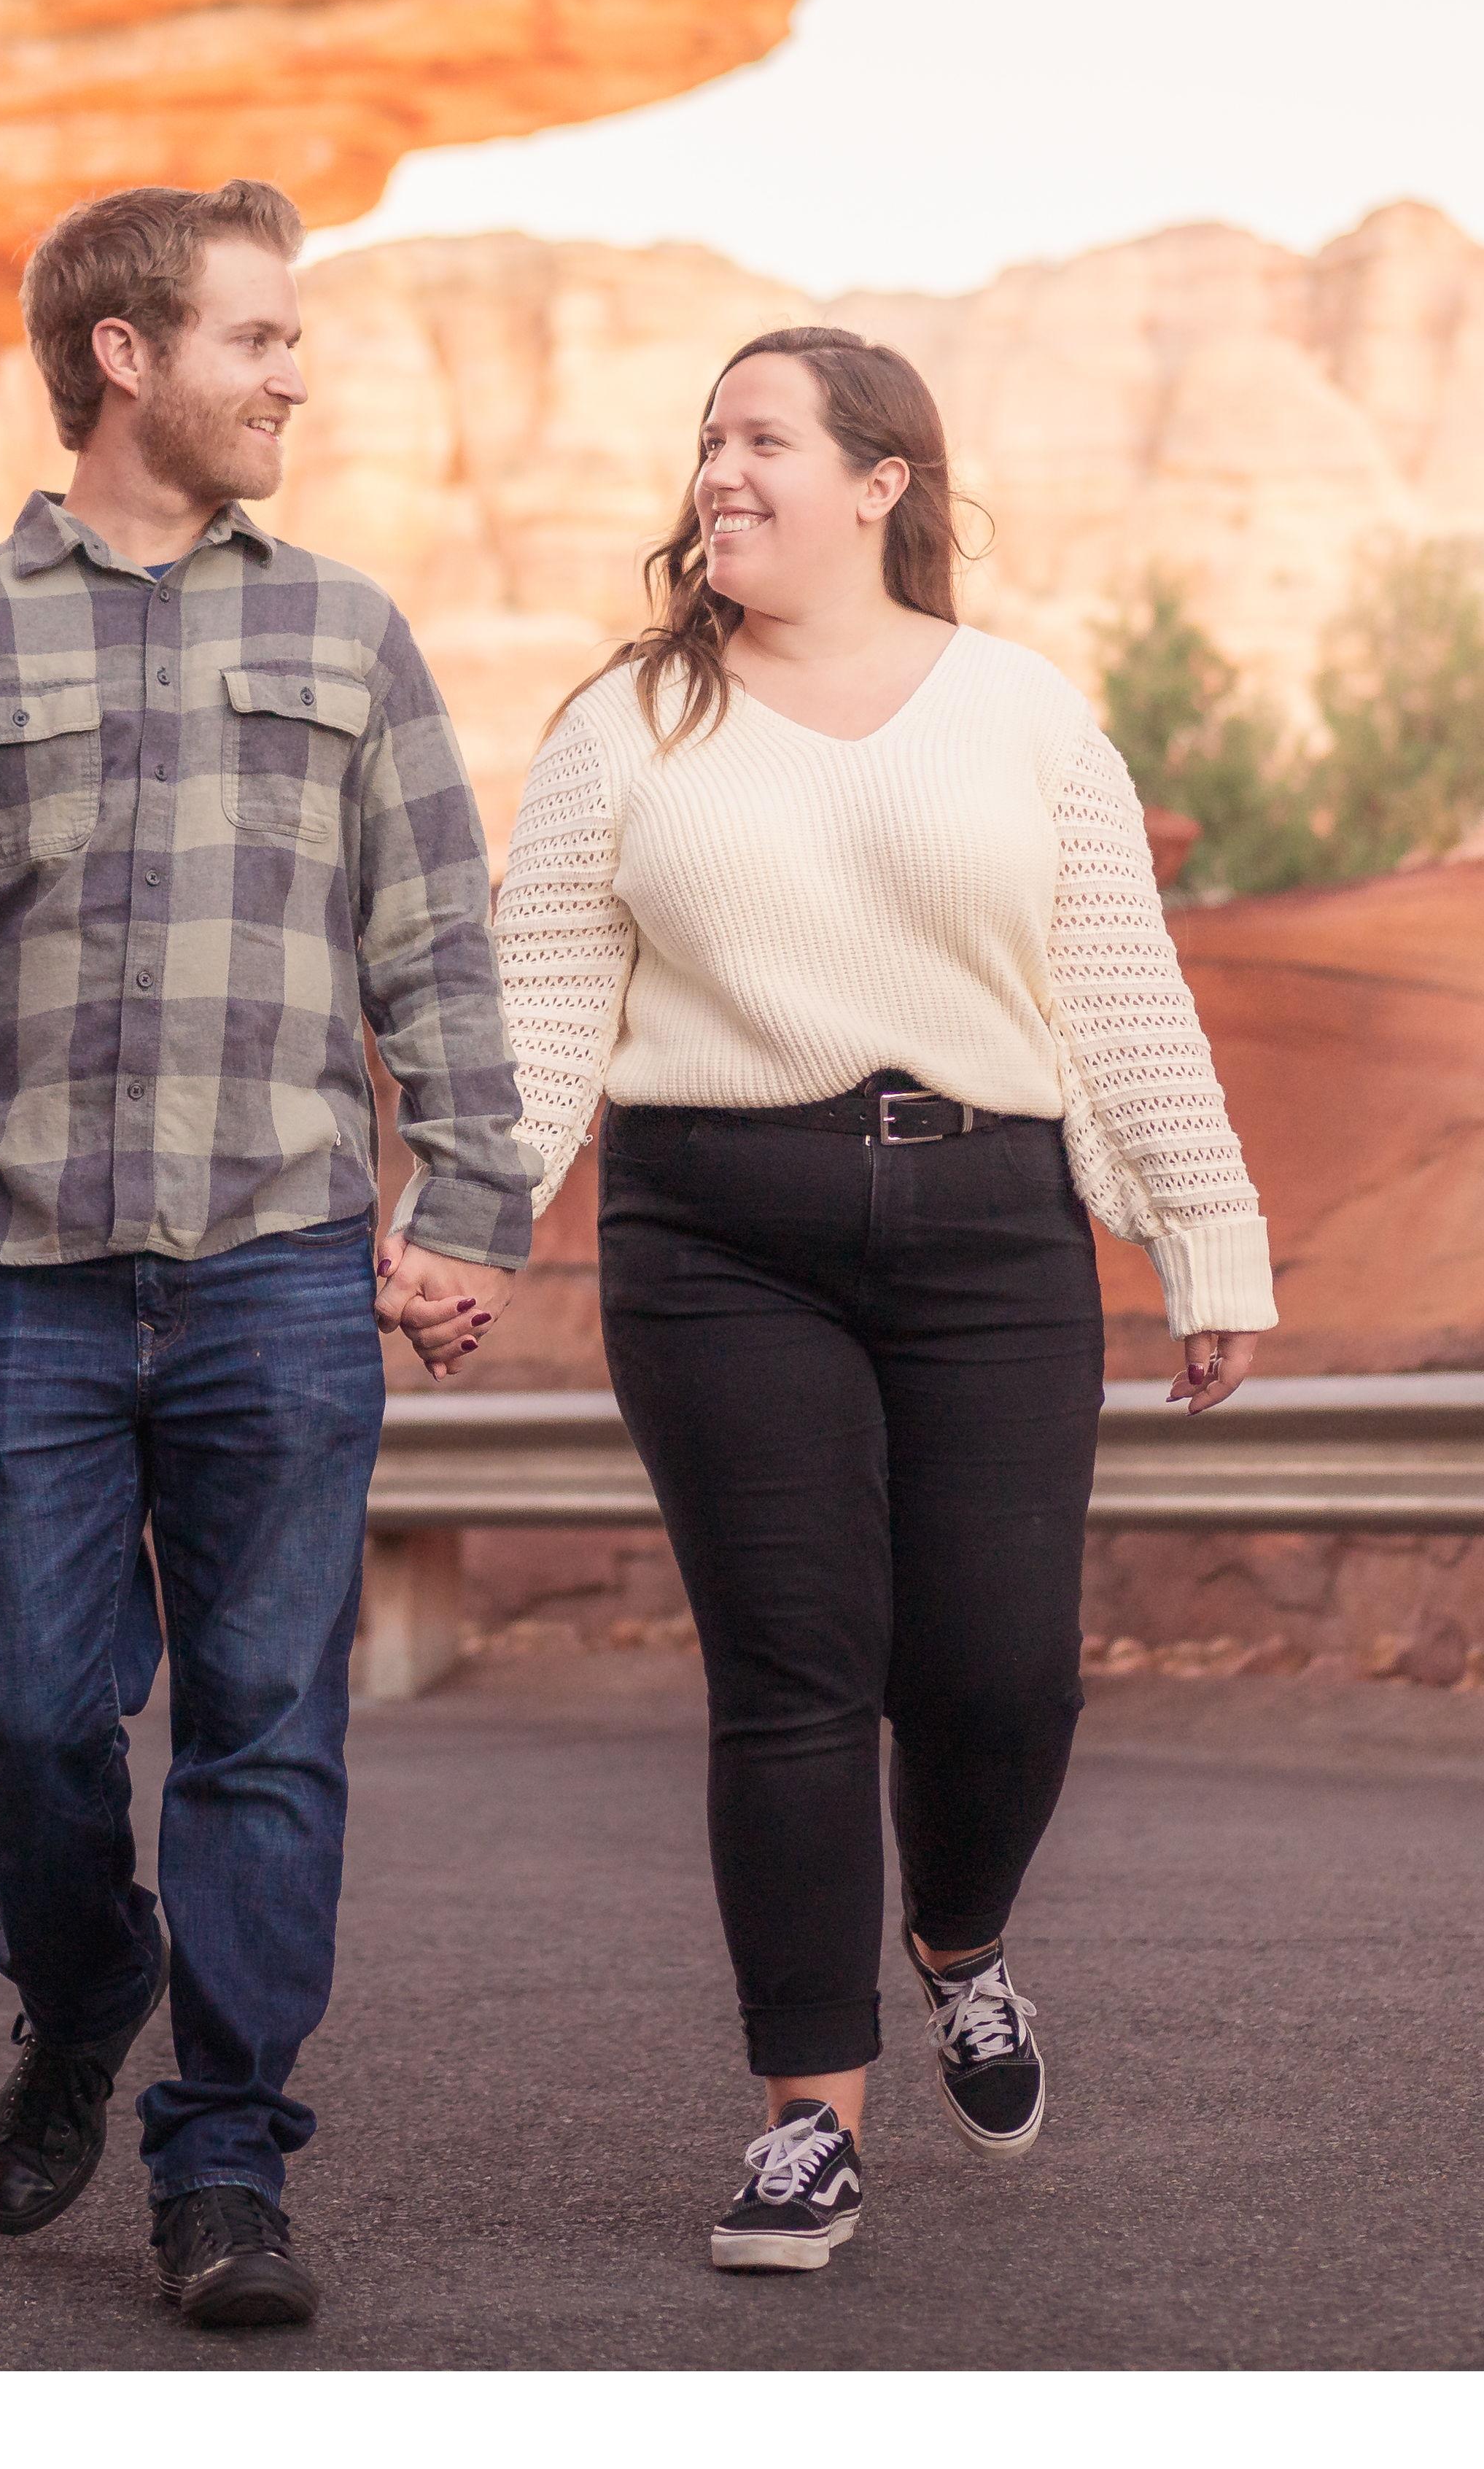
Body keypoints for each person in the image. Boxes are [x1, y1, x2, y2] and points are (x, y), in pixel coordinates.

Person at [0, 177, 521, 2335]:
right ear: (126, 353)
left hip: (284, 1274)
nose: (297, 372)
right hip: (3, 1277)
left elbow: (438, 948)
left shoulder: (347, 635)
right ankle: (86, 1975)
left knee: (269, 1724)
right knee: (20, 1711)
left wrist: (462, 1206)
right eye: (261, 337)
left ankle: (223, 2160)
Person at [492, 325, 1273, 2276]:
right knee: (792, 1676)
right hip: (714, 1238)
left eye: (762, 439)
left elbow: (1119, 997)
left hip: (992, 1232)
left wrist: (1208, 1236)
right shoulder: (621, 724)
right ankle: (805, 2122)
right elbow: (533, 1011)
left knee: (1003, 1672)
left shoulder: (1021, 713)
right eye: (704, 443)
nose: (719, 473)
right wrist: (462, 1214)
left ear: (879, 480)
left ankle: (963, 1940)